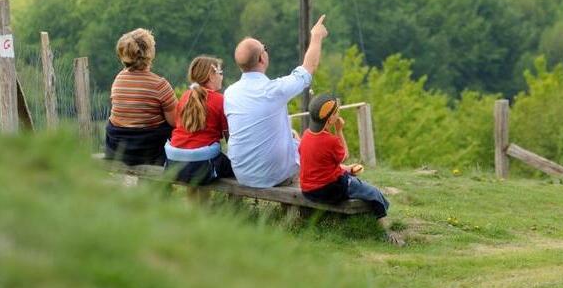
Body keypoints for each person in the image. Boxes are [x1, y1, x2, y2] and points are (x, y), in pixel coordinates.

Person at [224, 14, 328, 188]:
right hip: (274, 176)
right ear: (262, 58)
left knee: (293, 136)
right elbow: (309, 68)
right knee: (308, 148)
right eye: (264, 48)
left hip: (242, 174)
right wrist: (316, 36)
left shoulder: (230, 93)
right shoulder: (274, 91)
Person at [299, 93, 404, 246]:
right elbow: (344, 155)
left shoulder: (306, 136)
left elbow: (322, 164)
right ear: (330, 119)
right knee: (372, 192)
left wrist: (346, 169)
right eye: (336, 112)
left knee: (349, 176)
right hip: (329, 190)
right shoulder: (331, 140)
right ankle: (387, 232)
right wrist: (339, 130)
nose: (338, 114)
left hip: (308, 191)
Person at [104, 28, 177, 166]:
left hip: (117, 150)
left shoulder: (119, 79)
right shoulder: (160, 85)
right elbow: (175, 121)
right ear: (150, 53)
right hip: (149, 153)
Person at [164, 55, 234, 185]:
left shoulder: (185, 96)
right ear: (211, 76)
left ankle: (193, 199)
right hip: (202, 165)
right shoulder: (220, 100)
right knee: (236, 169)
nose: (222, 77)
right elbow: (230, 138)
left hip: (174, 164)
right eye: (220, 73)